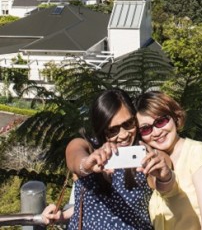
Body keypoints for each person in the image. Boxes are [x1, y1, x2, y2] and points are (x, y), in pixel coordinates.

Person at [43, 89, 175, 229]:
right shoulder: (88, 148)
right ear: (101, 129)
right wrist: (86, 165)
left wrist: (164, 175)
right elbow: (75, 157)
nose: (124, 135)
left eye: (128, 124)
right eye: (113, 130)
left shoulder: (145, 155)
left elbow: (164, 184)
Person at [135, 91, 202, 230]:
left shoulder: (196, 152)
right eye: (146, 129)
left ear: (175, 117)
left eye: (161, 121)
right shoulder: (153, 164)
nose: (156, 132)